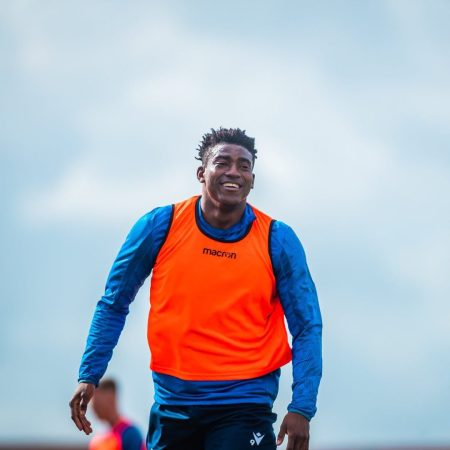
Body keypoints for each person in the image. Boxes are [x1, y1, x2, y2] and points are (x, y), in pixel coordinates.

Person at [70, 127, 322, 450]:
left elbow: (307, 325)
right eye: (223, 162)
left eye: (244, 166)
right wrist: (89, 374)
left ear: (252, 180)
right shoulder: (159, 226)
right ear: (201, 173)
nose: (234, 172)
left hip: (244, 403)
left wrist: (302, 406)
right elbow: (114, 303)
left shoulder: (278, 239)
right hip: (174, 404)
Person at [88, 378, 145, 450]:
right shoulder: (96, 441)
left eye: (96, 404)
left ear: (111, 397)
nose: (93, 409)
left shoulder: (129, 433)